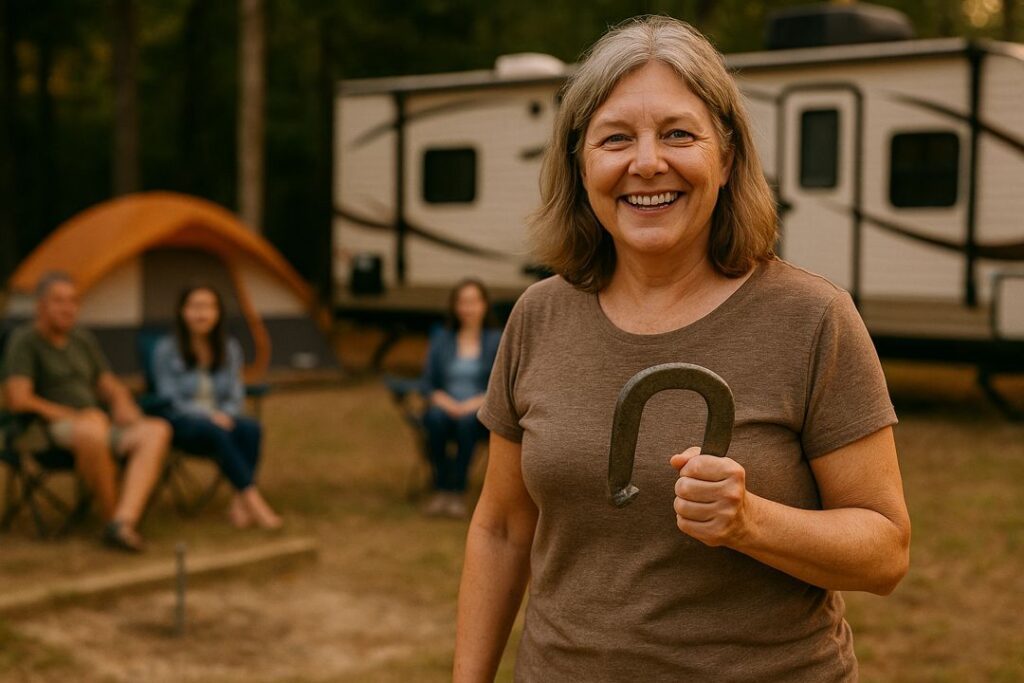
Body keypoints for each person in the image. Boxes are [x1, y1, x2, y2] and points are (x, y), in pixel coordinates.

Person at [455, 16, 911, 682]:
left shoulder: (811, 318)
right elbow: (500, 528)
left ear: (725, 158)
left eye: (677, 133)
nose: (646, 163)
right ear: (582, 164)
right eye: (616, 139)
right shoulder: (538, 316)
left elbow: (886, 552)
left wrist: (750, 520)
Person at [2, 272, 171, 552]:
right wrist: (73, 416)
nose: (68, 308)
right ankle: (111, 519)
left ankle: (123, 521)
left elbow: (108, 384)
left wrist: (121, 402)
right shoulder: (25, 341)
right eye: (59, 301)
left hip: (97, 421)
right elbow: (19, 400)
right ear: (40, 306)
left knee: (156, 430)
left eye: (73, 302)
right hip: (47, 430)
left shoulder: (82, 339)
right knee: (91, 431)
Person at [151, 284, 282, 530]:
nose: (202, 314)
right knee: (217, 431)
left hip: (222, 420)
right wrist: (210, 415)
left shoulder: (229, 348)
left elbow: (235, 393)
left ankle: (238, 501)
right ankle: (253, 501)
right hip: (183, 422)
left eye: (209, 307)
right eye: (195, 306)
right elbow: (168, 397)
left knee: (251, 428)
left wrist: (226, 414)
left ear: (219, 313)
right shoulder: (165, 350)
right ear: (182, 311)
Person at [419, 278, 501, 519]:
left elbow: (500, 385)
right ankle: (441, 487)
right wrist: (445, 402)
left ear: (484, 305)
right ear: (455, 307)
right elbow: (427, 382)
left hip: (478, 408)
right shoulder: (442, 339)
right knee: (434, 419)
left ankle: (457, 490)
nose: (468, 308)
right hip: (445, 406)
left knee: (467, 423)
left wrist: (472, 404)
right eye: (463, 302)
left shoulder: (496, 340)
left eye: (473, 302)